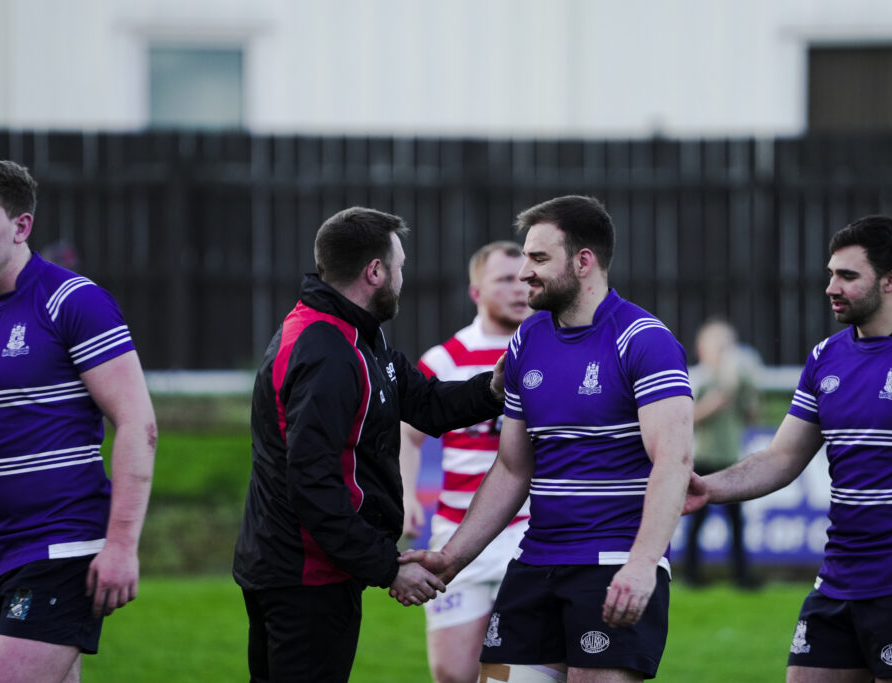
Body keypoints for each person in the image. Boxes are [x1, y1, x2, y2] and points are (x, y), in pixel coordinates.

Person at [684, 215, 892, 682]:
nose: (831, 287)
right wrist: (709, 488)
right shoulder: (824, 357)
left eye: (848, 276)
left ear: (891, 280)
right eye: (831, 273)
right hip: (837, 582)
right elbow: (781, 457)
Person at [402, 195, 694, 683]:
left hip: (612, 563)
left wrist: (644, 563)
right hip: (535, 561)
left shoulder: (645, 339)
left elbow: (673, 462)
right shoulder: (529, 338)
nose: (525, 274)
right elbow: (512, 468)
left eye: (538, 259)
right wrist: (451, 557)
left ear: (583, 262)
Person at [232, 207, 509, 683]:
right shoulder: (325, 351)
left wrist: (495, 388)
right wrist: (388, 567)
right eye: (399, 266)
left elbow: (426, 403)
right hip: (303, 575)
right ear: (375, 272)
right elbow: (312, 483)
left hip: (314, 569)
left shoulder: (358, 335)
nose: (403, 278)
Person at [0, 158, 157, 683]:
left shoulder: (71, 301)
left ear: (21, 226)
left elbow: (137, 422)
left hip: (57, 546)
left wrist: (121, 545)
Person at [399, 241, 531, 683]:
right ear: (476, 292)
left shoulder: (547, 349)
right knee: (452, 672)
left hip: (528, 533)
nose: (519, 289)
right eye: (505, 279)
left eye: (524, 278)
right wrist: (407, 494)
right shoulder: (445, 358)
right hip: (457, 531)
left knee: (513, 672)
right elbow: (407, 432)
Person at [683, 317, 759, 589]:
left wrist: (747, 396)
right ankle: (691, 574)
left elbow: (751, 418)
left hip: (730, 458)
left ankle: (741, 576)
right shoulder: (697, 377)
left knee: (736, 522)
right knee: (697, 520)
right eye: (718, 346)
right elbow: (685, 418)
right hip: (703, 458)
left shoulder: (736, 380)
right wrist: (712, 404)